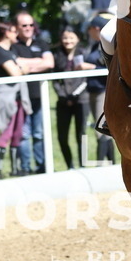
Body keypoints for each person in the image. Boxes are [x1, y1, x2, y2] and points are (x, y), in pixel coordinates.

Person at [12, 10, 54, 174]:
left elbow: (50, 63)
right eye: (24, 25)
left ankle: (42, 166)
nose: (29, 28)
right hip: (20, 98)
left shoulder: (42, 43)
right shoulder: (13, 45)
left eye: (31, 24)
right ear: (17, 27)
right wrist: (38, 62)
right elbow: (16, 64)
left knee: (39, 133)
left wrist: (27, 66)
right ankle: (25, 168)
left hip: (39, 97)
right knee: (23, 134)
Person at [0, 22, 30, 177]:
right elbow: (16, 73)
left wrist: (22, 68)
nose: (16, 34)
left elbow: (21, 69)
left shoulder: (10, 50)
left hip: (18, 96)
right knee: (6, 132)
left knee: (18, 133)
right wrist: (22, 69)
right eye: (13, 31)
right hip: (6, 97)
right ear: (6, 33)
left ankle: (15, 168)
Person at [52, 26, 88, 170]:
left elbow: (85, 79)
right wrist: (62, 96)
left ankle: (83, 165)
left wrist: (74, 95)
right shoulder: (57, 56)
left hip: (81, 100)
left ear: (77, 39)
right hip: (62, 101)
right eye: (65, 38)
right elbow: (55, 80)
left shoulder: (84, 53)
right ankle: (70, 166)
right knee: (62, 137)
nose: (68, 41)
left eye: (71, 37)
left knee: (81, 135)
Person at [81, 12, 115, 163]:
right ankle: (110, 162)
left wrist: (90, 67)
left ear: (96, 28)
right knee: (103, 127)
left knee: (102, 129)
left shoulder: (106, 44)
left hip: (103, 89)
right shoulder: (94, 45)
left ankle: (102, 162)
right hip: (95, 89)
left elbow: (108, 66)